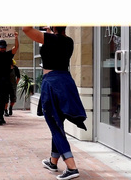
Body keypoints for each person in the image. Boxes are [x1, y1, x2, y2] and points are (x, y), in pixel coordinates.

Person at [22, 26, 87, 180]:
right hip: (66, 81)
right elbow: (54, 42)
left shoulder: (49, 39)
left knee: (55, 126)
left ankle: (71, 167)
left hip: (52, 83)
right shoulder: (69, 41)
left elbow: (25, 28)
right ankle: (53, 161)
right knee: (58, 123)